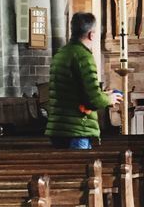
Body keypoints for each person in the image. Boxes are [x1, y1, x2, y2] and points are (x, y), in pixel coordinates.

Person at [45, 11, 123, 149]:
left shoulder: (60, 54)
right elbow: (93, 100)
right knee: (80, 169)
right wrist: (109, 99)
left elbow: (72, 93)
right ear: (91, 34)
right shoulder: (83, 56)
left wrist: (103, 94)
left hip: (58, 128)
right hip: (77, 129)